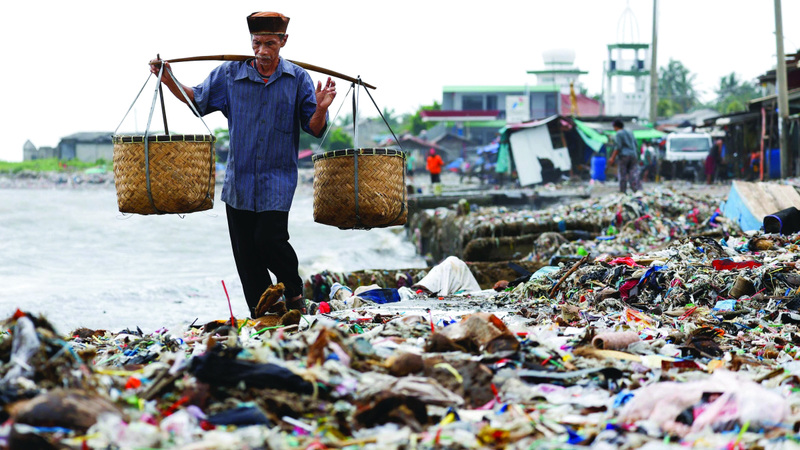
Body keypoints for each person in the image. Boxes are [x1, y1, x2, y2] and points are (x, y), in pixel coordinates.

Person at [149, 11, 336, 317]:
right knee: (247, 255)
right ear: (251, 42)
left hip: (277, 180)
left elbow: (314, 128)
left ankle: (293, 289)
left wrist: (321, 108)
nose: (263, 51)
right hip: (240, 182)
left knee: (269, 240)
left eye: (270, 44)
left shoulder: (297, 79)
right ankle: (264, 313)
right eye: (258, 43)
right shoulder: (229, 75)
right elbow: (197, 100)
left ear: (283, 42)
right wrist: (168, 78)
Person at [607, 120, 641, 194]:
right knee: (633, 173)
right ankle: (636, 190)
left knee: (623, 174)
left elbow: (618, 147)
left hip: (624, 156)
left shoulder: (619, 133)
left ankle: (623, 191)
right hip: (633, 155)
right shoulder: (630, 132)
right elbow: (636, 144)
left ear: (616, 127)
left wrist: (612, 158)